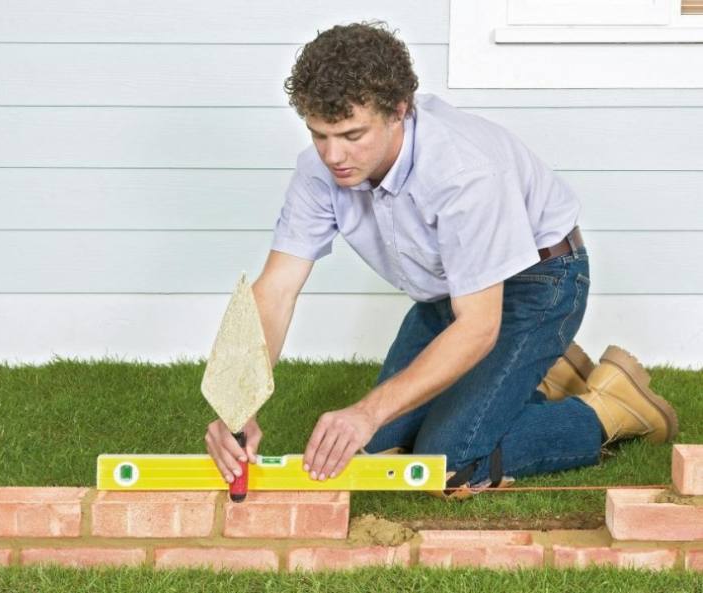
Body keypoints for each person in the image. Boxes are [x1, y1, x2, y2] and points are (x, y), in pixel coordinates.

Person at [203, 21, 679, 499]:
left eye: (351, 134)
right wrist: (237, 405)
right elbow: (276, 290)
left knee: (446, 463)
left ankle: (608, 407)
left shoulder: (463, 172)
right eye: (319, 135)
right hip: (450, 294)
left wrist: (367, 411)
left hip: (538, 284)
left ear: (399, 111)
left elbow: (478, 327)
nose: (333, 155)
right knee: (378, 450)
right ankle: (533, 373)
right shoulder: (319, 170)